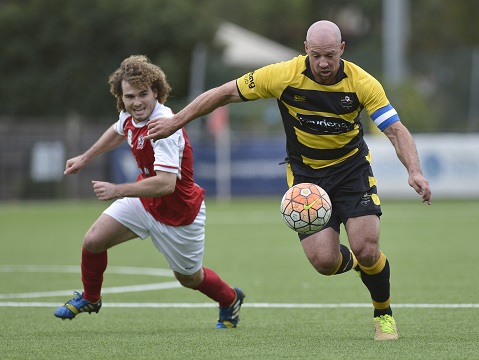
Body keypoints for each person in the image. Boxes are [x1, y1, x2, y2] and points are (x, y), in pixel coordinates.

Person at [145, 20, 432, 340]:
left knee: (366, 248)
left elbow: (395, 129)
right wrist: (176, 122)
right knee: (324, 262)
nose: (323, 63)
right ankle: (365, 267)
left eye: (330, 56)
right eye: (317, 55)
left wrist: (414, 170)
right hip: (306, 177)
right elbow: (223, 93)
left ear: (341, 50)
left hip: (352, 170)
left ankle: (383, 314)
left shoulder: (363, 82)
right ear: (307, 49)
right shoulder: (282, 75)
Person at [54, 55, 245, 329]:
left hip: (179, 214)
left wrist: (117, 190)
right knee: (93, 240)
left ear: (156, 91)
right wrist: (86, 157)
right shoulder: (130, 114)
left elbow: (166, 184)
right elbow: (118, 129)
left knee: (189, 278)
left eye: (143, 94)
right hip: (144, 203)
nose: (137, 102)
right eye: (129, 96)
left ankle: (229, 299)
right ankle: (91, 298)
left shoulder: (163, 125)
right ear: (122, 97)